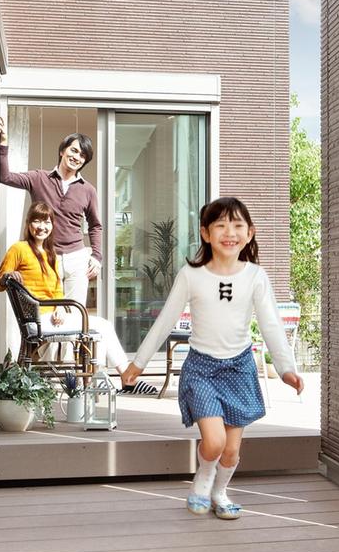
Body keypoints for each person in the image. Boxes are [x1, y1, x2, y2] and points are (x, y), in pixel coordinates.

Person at [123, 197, 304, 519]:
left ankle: (220, 492)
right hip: (202, 369)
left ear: (250, 233)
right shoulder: (192, 275)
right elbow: (166, 319)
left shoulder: (255, 276)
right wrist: (138, 363)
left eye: (237, 225)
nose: (229, 232)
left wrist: (286, 368)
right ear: (206, 233)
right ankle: (203, 480)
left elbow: (271, 324)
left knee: (232, 451)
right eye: (220, 225)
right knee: (215, 441)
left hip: (239, 368)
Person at [0, 201, 157, 394]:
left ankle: (112, 379)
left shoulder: (50, 253)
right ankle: (117, 379)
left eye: (46, 222)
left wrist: (60, 309)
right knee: (102, 326)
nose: (42, 227)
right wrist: (8, 276)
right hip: (37, 319)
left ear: (52, 225)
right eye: (36, 221)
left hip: (50, 316)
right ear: (28, 223)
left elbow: (56, 292)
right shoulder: (18, 249)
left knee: (101, 326)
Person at [0, 117, 102, 306]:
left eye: (82, 155)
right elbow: (5, 177)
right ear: (62, 151)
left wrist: (96, 256)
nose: (77, 157)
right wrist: (3, 144)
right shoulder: (39, 178)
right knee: (46, 313)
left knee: (74, 314)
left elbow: (95, 225)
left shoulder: (88, 190)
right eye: (74, 150)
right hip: (45, 254)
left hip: (76, 257)